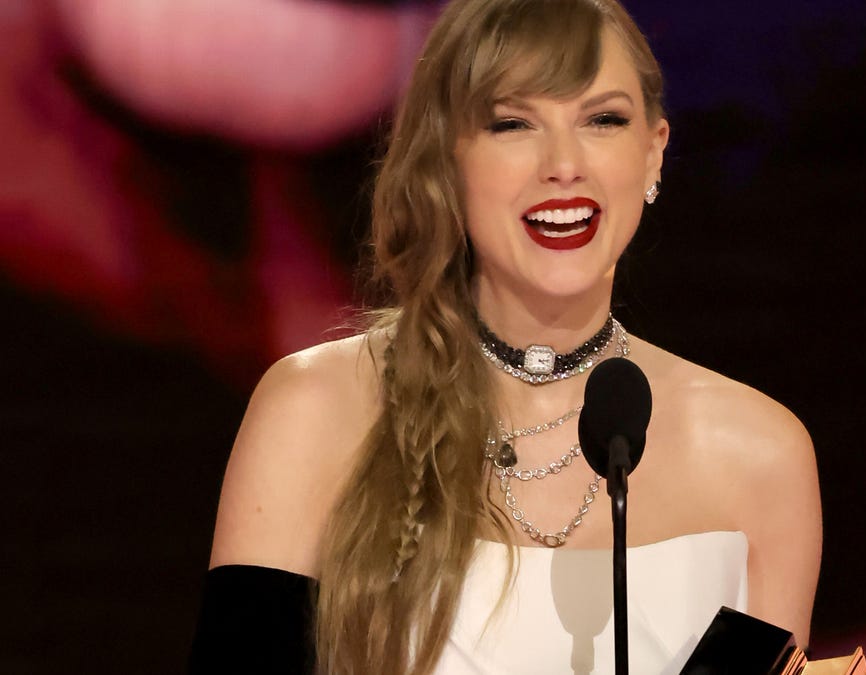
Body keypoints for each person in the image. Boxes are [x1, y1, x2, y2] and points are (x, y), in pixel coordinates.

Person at [190, 0, 822, 673]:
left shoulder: (761, 457)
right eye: (513, 123)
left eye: (602, 120)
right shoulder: (315, 410)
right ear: (446, 161)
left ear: (652, 154)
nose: (563, 164)